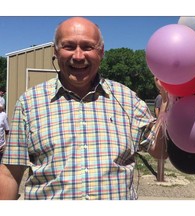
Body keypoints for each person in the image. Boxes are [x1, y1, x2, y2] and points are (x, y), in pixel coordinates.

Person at [0, 17, 168, 200]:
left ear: (101, 52)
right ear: (55, 51)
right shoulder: (29, 103)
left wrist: (168, 101)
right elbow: (9, 173)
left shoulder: (127, 99)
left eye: (88, 47)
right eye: (69, 46)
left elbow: (160, 151)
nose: (78, 56)